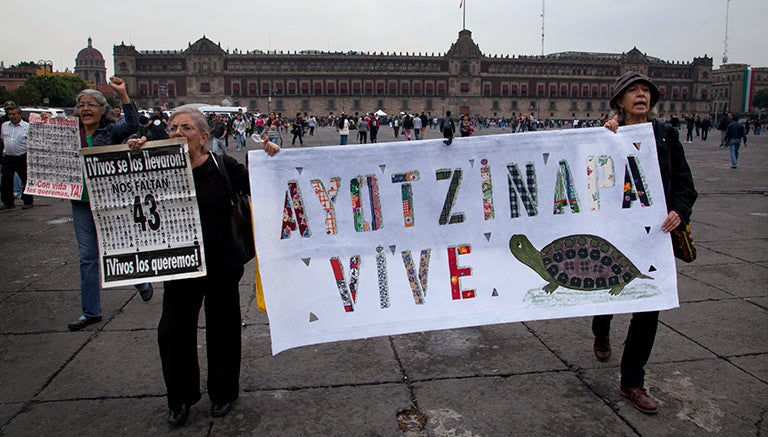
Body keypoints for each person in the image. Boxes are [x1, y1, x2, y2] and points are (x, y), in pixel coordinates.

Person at [135, 106, 279, 427]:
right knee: (172, 331)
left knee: (224, 327)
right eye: (172, 127)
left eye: (185, 128)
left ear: (203, 137)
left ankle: (223, 392)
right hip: (180, 263)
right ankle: (181, 397)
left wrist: (273, 157)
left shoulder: (222, 166)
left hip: (221, 263)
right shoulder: (158, 168)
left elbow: (264, 183)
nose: (176, 133)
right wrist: (134, 150)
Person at [598, 71, 697, 414]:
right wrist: (603, 140)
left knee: (648, 306)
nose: (641, 95)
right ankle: (601, 329)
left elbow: (686, 184)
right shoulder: (605, 135)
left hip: (655, 235)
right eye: (633, 91)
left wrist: (678, 211)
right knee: (606, 292)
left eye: (646, 91)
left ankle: (632, 381)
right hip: (616, 232)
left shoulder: (666, 135)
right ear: (619, 101)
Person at [67, 77, 154, 331]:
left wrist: (123, 94)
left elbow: (133, 123)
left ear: (102, 110)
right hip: (80, 201)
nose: (85, 109)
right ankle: (91, 311)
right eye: (81, 104)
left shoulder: (111, 132)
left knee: (120, 248)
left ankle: (141, 281)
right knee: (88, 257)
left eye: (91, 104)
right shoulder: (70, 134)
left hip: (109, 200)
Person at [0, 101, 32, 210]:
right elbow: (3, 139)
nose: (12, 117)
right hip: (8, 157)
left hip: (22, 156)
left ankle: (28, 201)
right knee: (6, 180)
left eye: (14, 114)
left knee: (25, 179)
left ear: (19, 114)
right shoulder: (4, 126)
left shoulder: (27, 126)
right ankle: (8, 202)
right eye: (10, 114)